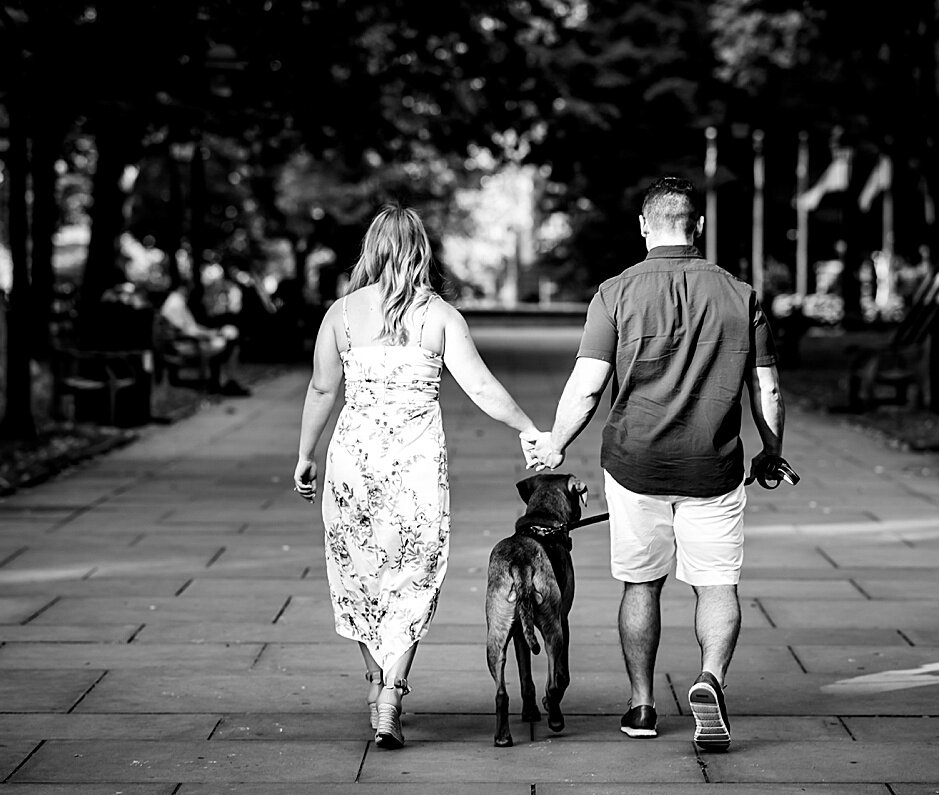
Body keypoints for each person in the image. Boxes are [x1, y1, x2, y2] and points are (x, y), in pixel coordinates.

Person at [528, 177, 785, 751]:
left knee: (641, 585)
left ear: (645, 227)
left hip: (634, 465)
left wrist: (556, 444)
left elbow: (588, 387)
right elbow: (766, 388)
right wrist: (771, 451)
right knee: (717, 586)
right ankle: (709, 680)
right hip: (713, 466)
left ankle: (642, 705)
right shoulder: (741, 295)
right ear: (697, 226)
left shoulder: (614, 293)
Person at [294, 203, 541, 750]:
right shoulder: (441, 317)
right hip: (416, 468)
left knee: (357, 576)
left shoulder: (342, 314)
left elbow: (320, 390)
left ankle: (377, 685)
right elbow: (480, 387)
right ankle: (392, 695)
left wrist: (305, 453)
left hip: (354, 465)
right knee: (413, 577)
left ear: (371, 250)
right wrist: (528, 429)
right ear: (421, 251)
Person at [157, 284, 249, 396]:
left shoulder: (175, 301)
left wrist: (209, 332)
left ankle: (225, 382)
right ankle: (227, 382)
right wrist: (208, 334)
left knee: (229, 340)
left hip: (187, 342)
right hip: (186, 345)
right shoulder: (175, 303)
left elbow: (188, 327)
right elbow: (186, 330)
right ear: (182, 288)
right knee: (230, 344)